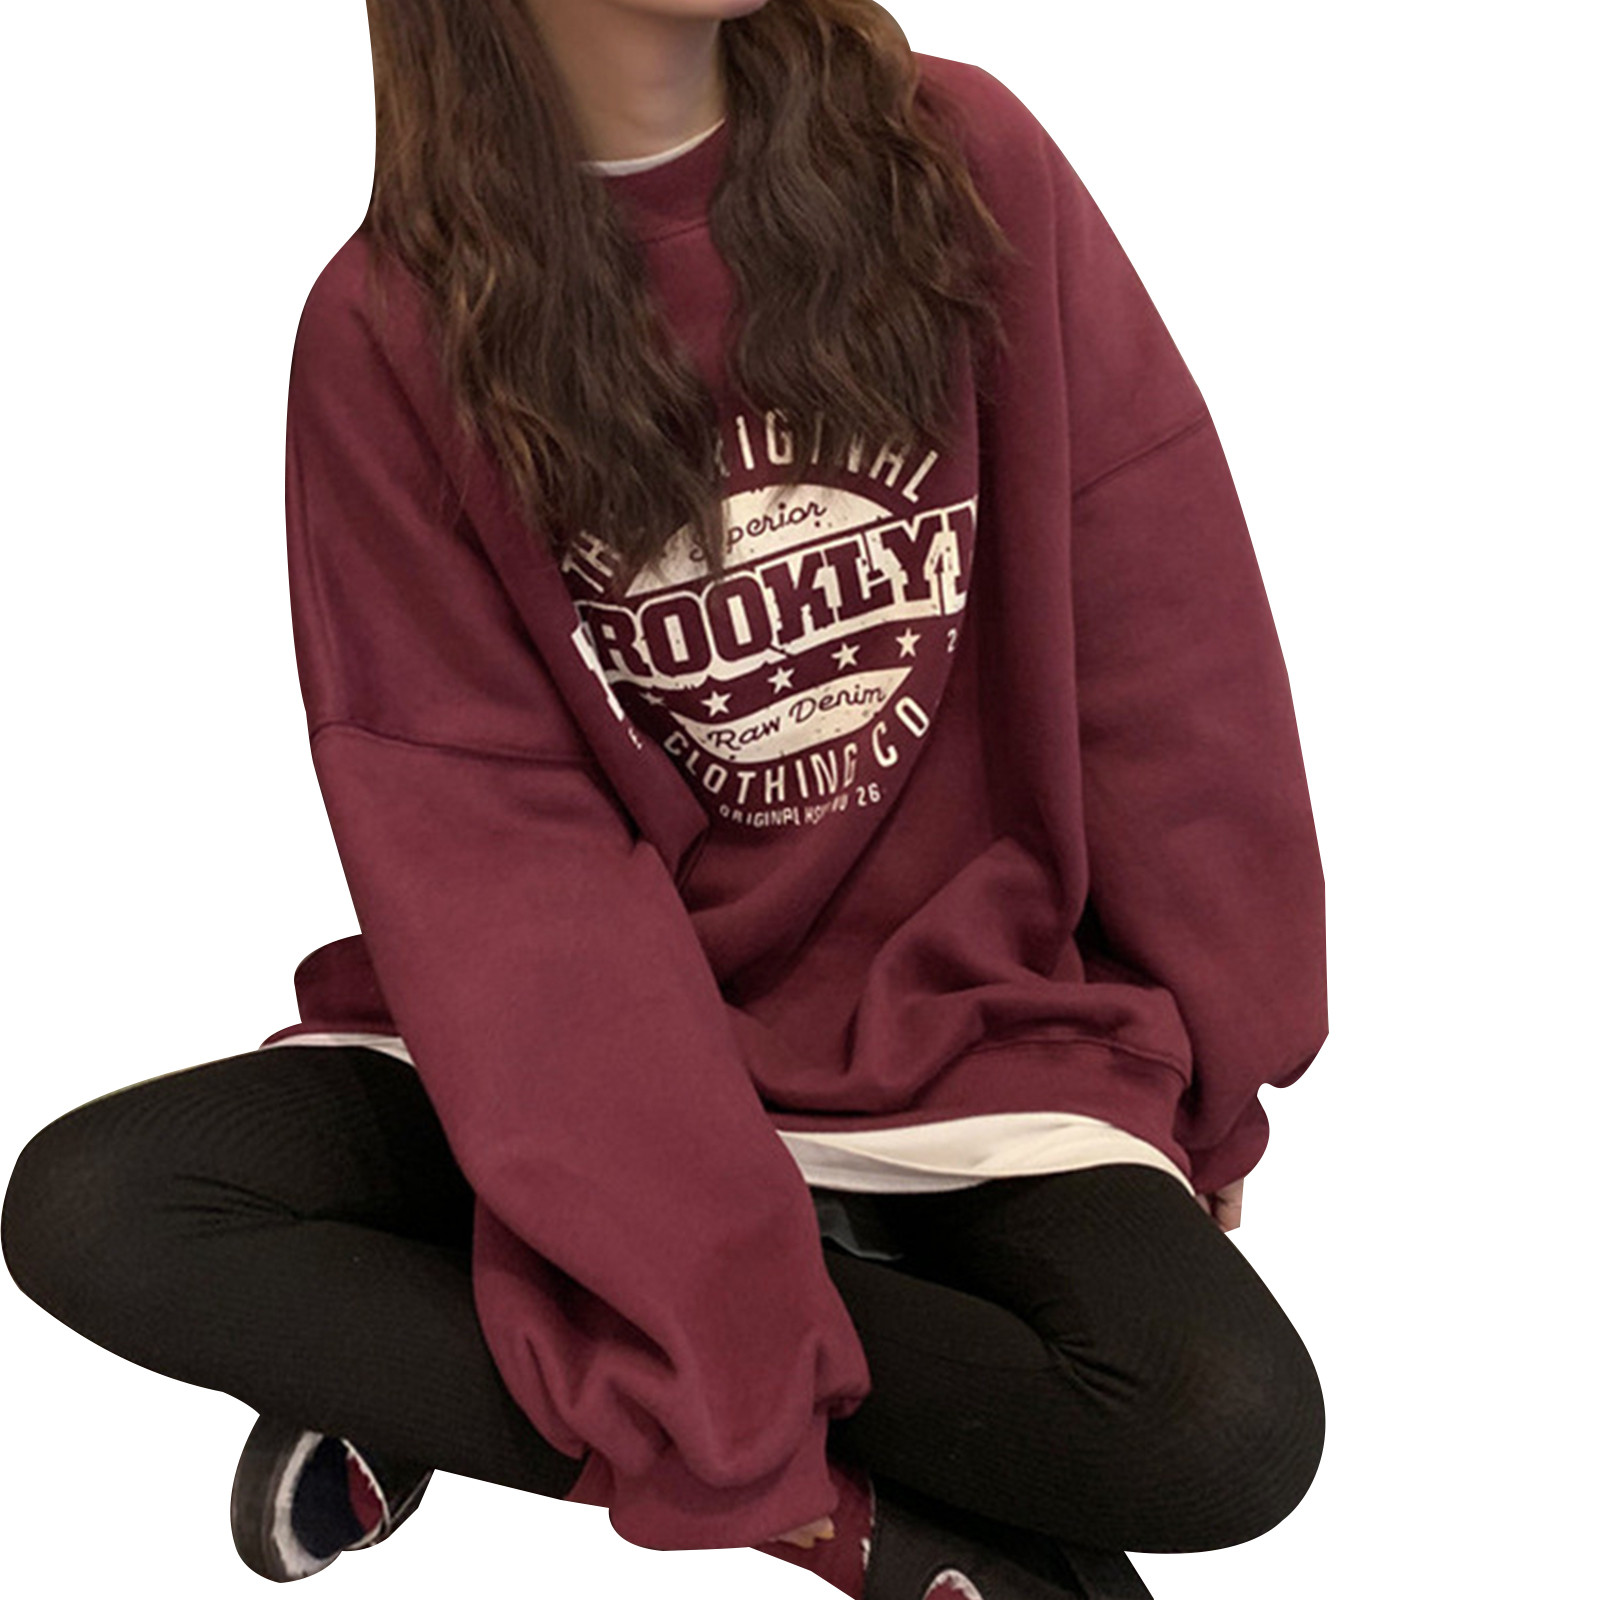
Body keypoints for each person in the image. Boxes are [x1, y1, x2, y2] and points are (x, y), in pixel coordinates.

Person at [0, 2, 1327, 1596]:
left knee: (1220, 1426)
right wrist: (708, 1321)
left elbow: (1159, 618)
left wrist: (1218, 1046)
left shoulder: (961, 158)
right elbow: (502, 870)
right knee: (101, 1206)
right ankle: (841, 1524)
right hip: (588, 1049)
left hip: (972, 1027)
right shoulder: (389, 330)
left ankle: (438, 1338)